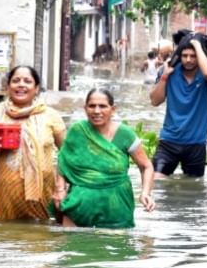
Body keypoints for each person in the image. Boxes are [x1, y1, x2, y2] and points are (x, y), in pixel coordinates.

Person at [54, 89, 155, 229]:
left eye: (102, 106)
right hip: (78, 206)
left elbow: (146, 166)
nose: (96, 111)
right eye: (92, 106)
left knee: (115, 242)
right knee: (71, 242)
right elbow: (63, 162)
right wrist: (60, 190)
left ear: (113, 109)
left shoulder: (125, 134)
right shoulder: (78, 131)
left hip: (116, 206)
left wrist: (145, 193)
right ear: (85, 108)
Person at [0, 65, 66, 223]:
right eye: (16, 81)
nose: (21, 85)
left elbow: (66, 154)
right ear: (8, 86)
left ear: (36, 88)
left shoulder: (50, 115)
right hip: (1, 194)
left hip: (43, 194)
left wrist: (61, 188)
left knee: (40, 233)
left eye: (27, 81)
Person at [148, 34, 207, 177]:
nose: (188, 60)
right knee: (156, 180)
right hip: (169, 141)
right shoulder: (168, 71)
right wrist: (165, 76)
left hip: (196, 143)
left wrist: (197, 44)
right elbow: (155, 101)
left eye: (193, 56)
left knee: (193, 187)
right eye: (184, 55)